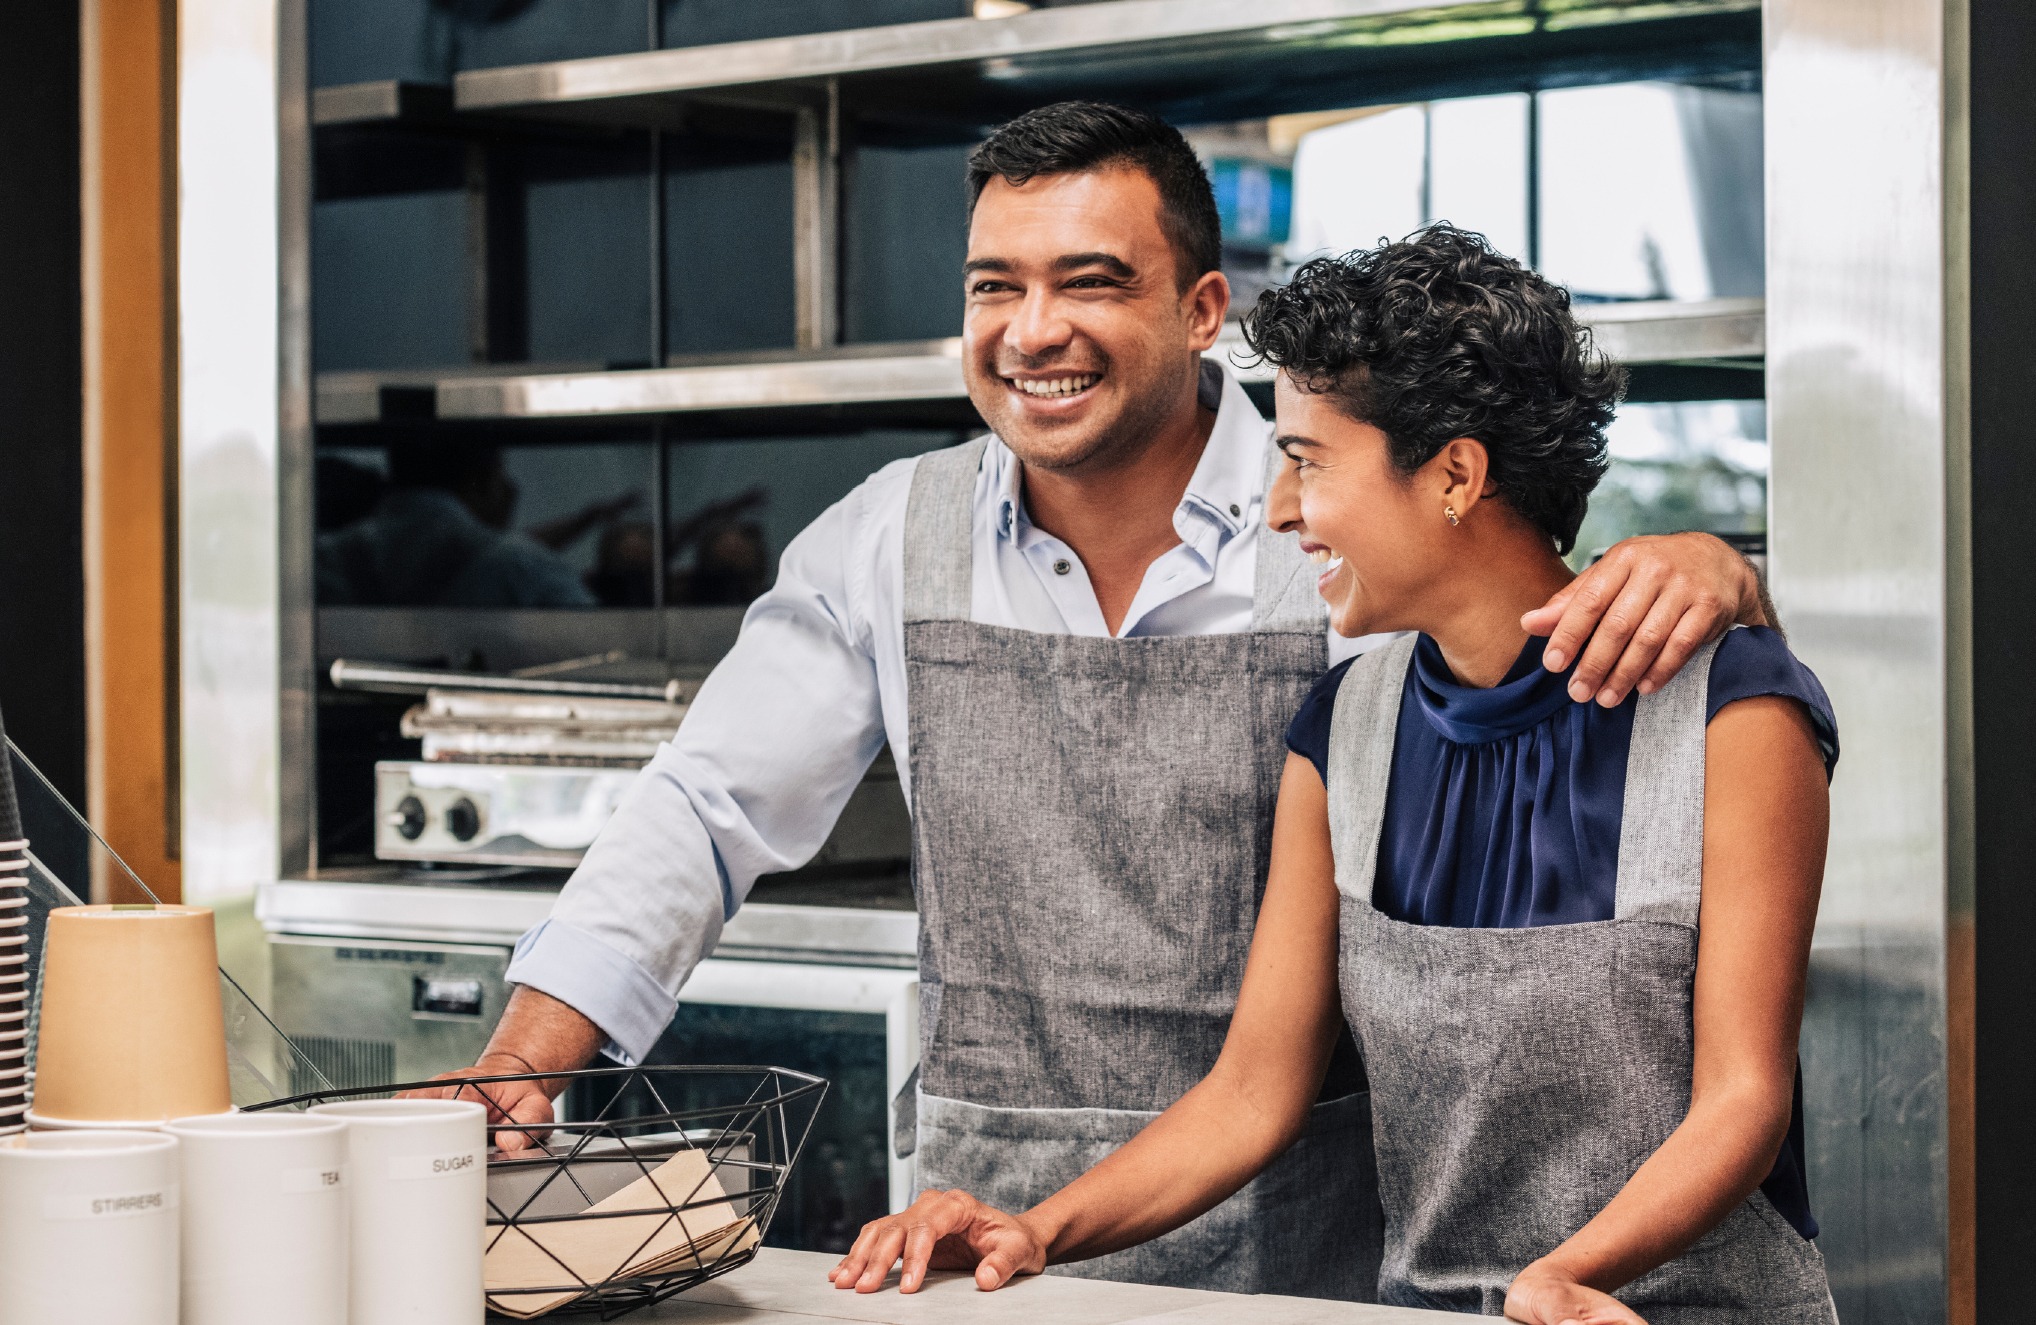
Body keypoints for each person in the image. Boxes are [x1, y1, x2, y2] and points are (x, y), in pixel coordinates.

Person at [411, 104, 1775, 1300]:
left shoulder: (1342, 534)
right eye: (994, 285)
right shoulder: (891, 537)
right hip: (991, 1241)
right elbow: (706, 808)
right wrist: (529, 1055)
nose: (1032, 329)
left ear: (1202, 312)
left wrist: (1727, 572)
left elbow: (1532, 630)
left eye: (1090, 281)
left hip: (1316, 1250)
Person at [830, 227, 1837, 1324]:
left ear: (1453, 474)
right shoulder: (1344, 725)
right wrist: (1036, 1227)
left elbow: (1743, 1097)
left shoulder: (1729, 708)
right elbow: (1251, 1090)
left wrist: (1568, 1273)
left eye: (1306, 460)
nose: (1275, 509)